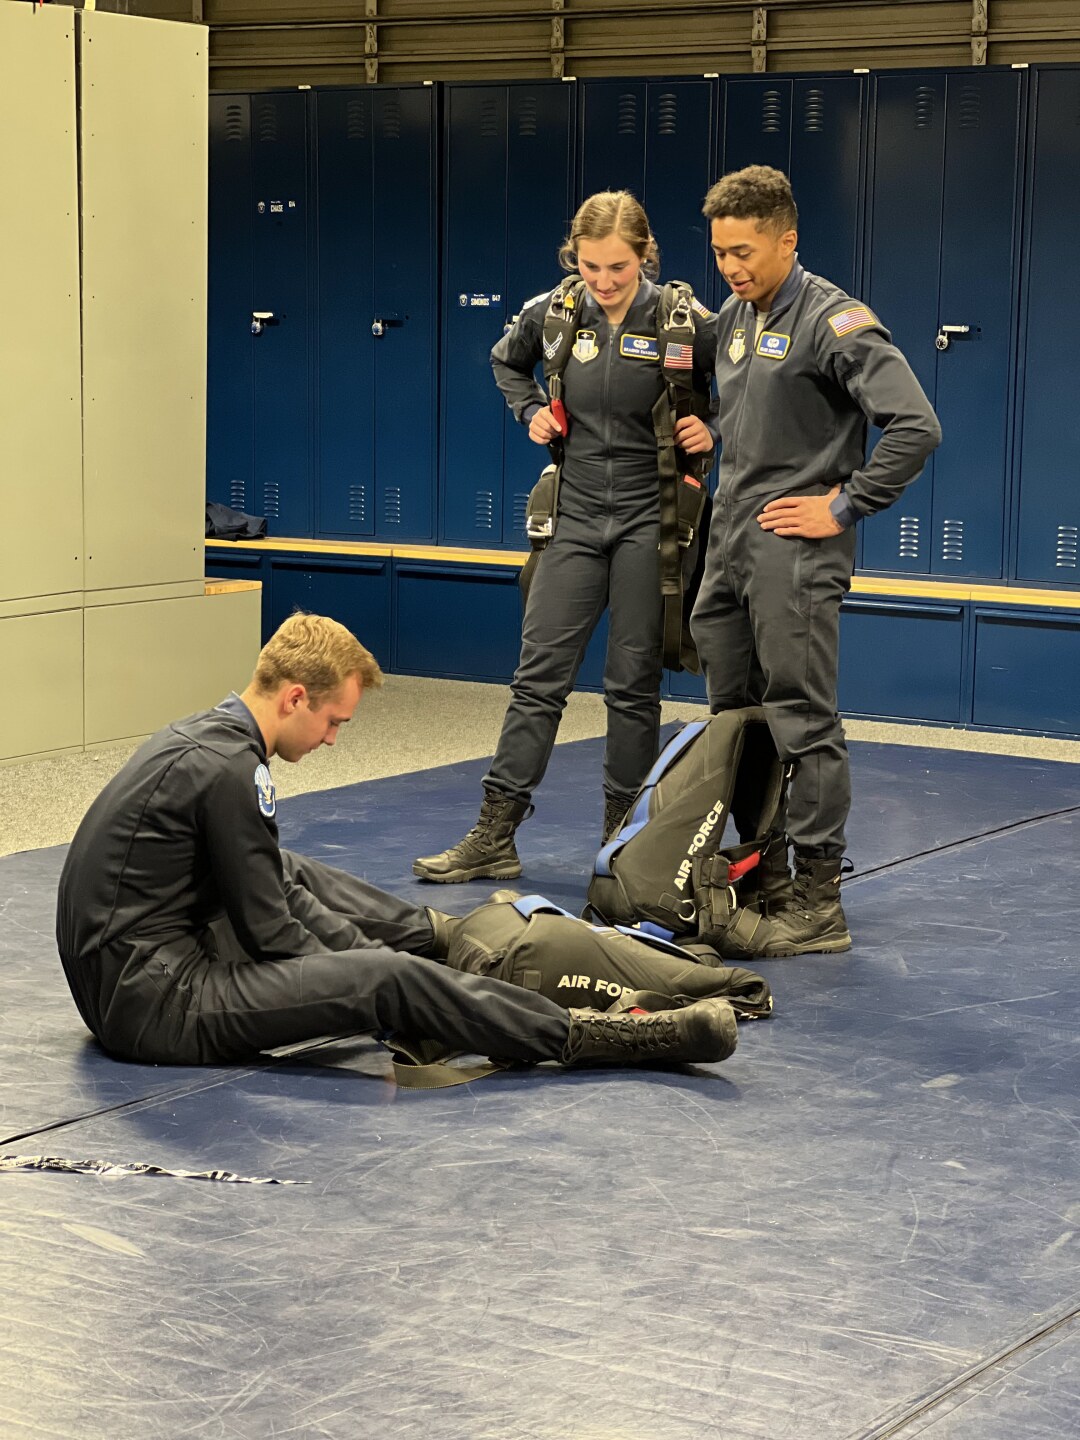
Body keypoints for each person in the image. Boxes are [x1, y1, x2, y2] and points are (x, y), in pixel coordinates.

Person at [55, 613, 735, 1072]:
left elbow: (269, 895)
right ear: (295, 697)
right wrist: (387, 984)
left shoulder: (207, 739)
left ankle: (438, 936)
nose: (332, 739)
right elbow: (272, 937)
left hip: (129, 978)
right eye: (331, 721)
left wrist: (367, 957)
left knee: (286, 871)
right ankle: (594, 1036)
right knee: (386, 980)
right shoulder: (234, 772)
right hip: (156, 1008)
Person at [414, 190, 719, 885]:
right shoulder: (554, 313)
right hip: (575, 513)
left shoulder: (684, 321)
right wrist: (529, 411)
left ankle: (623, 843)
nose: (604, 282)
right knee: (536, 679)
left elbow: (744, 383)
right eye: (590, 266)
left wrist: (714, 429)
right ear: (572, 258)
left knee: (632, 686)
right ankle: (495, 832)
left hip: (652, 515)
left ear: (645, 256)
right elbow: (505, 362)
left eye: (618, 267)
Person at [692, 165, 942, 956]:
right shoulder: (733, 317)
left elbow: (915, 428)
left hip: (793, 552)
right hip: (729, 541)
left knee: (803, 720)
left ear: (786, 240)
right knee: (737, 717)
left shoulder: (834, 321)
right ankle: (762, 871)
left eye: (744, 251)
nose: (731, 267)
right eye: (720, 253)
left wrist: (841, 505)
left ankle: (818, 894)